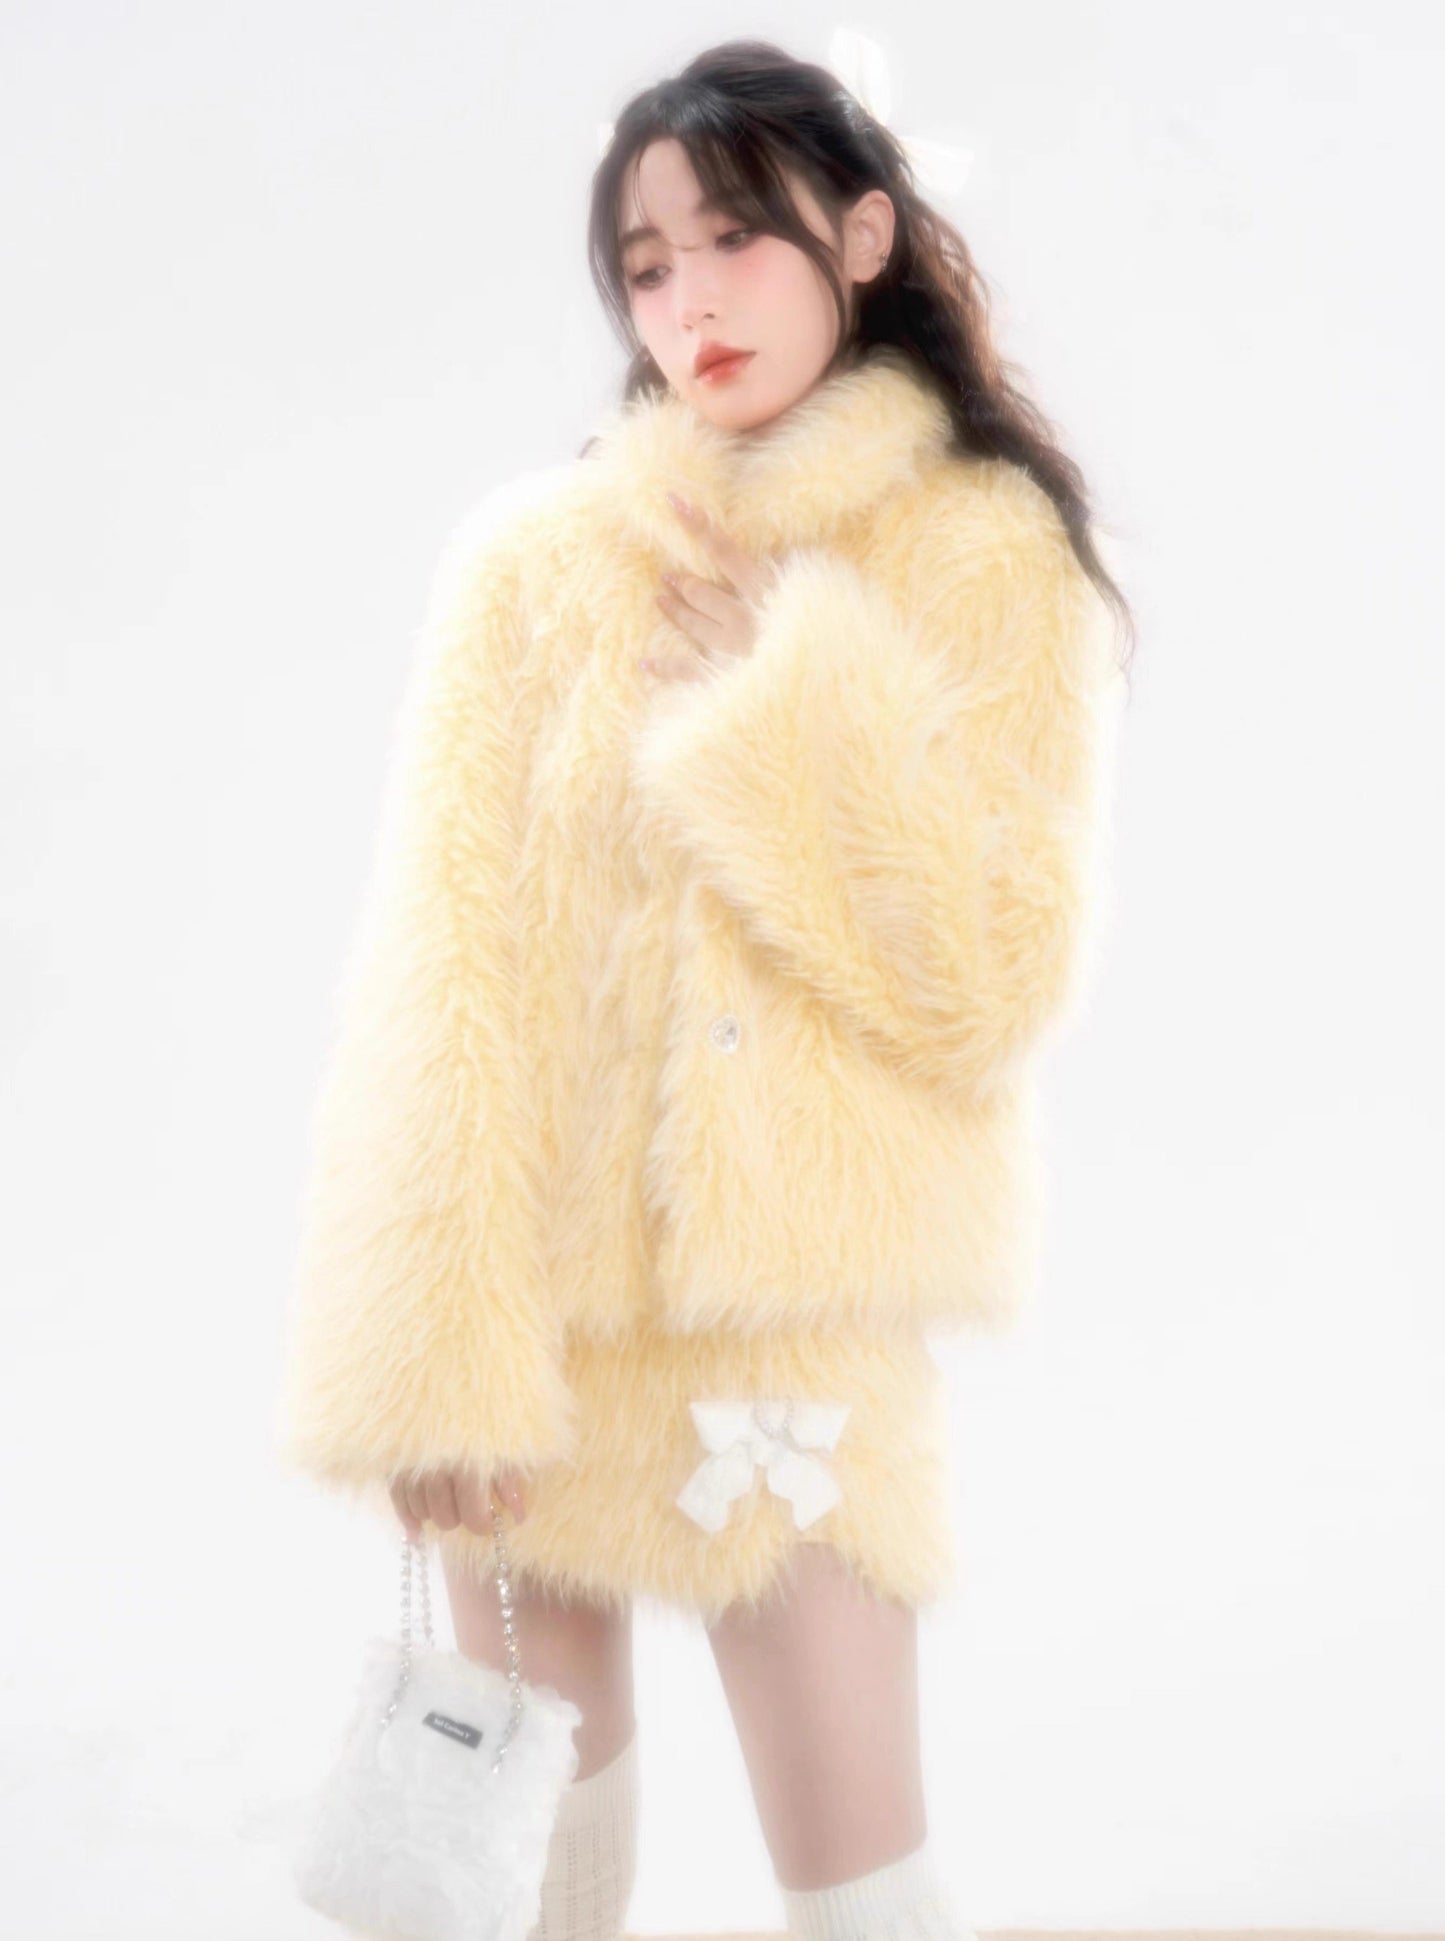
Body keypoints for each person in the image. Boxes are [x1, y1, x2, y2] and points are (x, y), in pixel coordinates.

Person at [274, 35, 1132, 1941]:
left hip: (797, 1344)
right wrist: (431, 1355)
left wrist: (786, 694)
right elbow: (442, 972)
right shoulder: (533, 566)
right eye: (647, 263)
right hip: (537, 1331)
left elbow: (992, 979)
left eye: (735, 237)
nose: (690, 301)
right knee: (532, 1895)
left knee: (865, 1898)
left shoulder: (977, 550)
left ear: (864, 233)